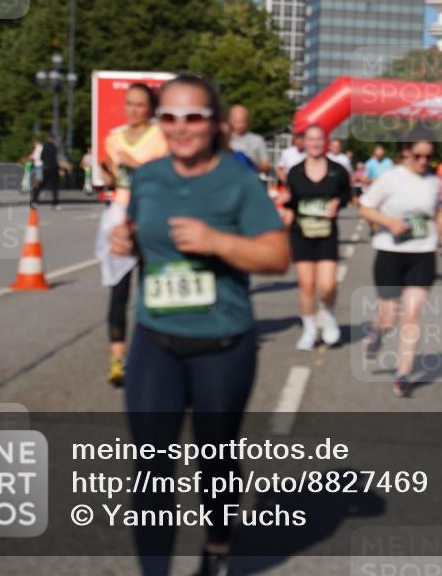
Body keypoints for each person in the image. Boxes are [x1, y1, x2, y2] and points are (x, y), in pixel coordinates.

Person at [109, 74, 289, 576]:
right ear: (158, 122)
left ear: (214, 123)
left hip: (222, 344)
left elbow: (277, 255)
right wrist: (126, 240)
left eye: (194, 117)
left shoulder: (237, 182)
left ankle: (217, 546)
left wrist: (219, 242)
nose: (181, 128)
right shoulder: (147, 178)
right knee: (151, 471)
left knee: (216, 462)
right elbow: (145, 237)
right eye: (170, 117)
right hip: (155, 341)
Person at [358, 128, 442, 398]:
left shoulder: (434, 181)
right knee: (389, 319)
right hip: (390, 253)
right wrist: (388, 222)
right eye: (418, 155)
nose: (423, 162)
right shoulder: (390, 178)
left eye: (428, 157)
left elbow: (439, 210)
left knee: (412, 316)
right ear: (406, 152)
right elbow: (365, 207)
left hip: (422, 253)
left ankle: (403, 374)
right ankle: (376, 332)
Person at [99, 83, 168, 387]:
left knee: (150, 291)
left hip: (151, 217)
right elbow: (114, 180)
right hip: (119, 217)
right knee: (118, 291)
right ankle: (118, 360)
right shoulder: (113, 139)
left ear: (150, 108)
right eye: (129, 103)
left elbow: (163, 178)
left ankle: (152, 358)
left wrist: (135, 164)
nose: (133, 110)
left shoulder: (161, 137)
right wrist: (107, 174)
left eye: (140, 104)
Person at [281, 125, 352, 350]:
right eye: (310, 140)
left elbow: (346, 195)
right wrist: (284, 211)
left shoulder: (338, 170)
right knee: (307, 285)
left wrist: (337, 203)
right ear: (304, 142)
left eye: (319, 139)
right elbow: (290, 202)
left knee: (328, 284)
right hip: (301, 233)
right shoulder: (295, 172)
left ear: (326, 142)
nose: (315, 144)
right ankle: (310, 329)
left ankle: (328, 316)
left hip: (326, 233)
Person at [228, 104, 270, 174]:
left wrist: (252, 167)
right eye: (237, 122)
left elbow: (266, 165)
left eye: (243, 122)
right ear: (230, 121)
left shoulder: (257, 140)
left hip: (250, 180)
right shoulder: (223, 139)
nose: (240, 125)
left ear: (248, 121)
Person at [31, 135, 61, 209]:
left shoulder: (43, 146)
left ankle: (34, 201)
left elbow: (41, 157)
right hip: (53, 169)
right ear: (52, 139)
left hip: (45, 168)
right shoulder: (54, 147)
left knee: (40, 185)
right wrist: (59, 168)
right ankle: (55, 203)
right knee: (55, 187)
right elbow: (55, 159)